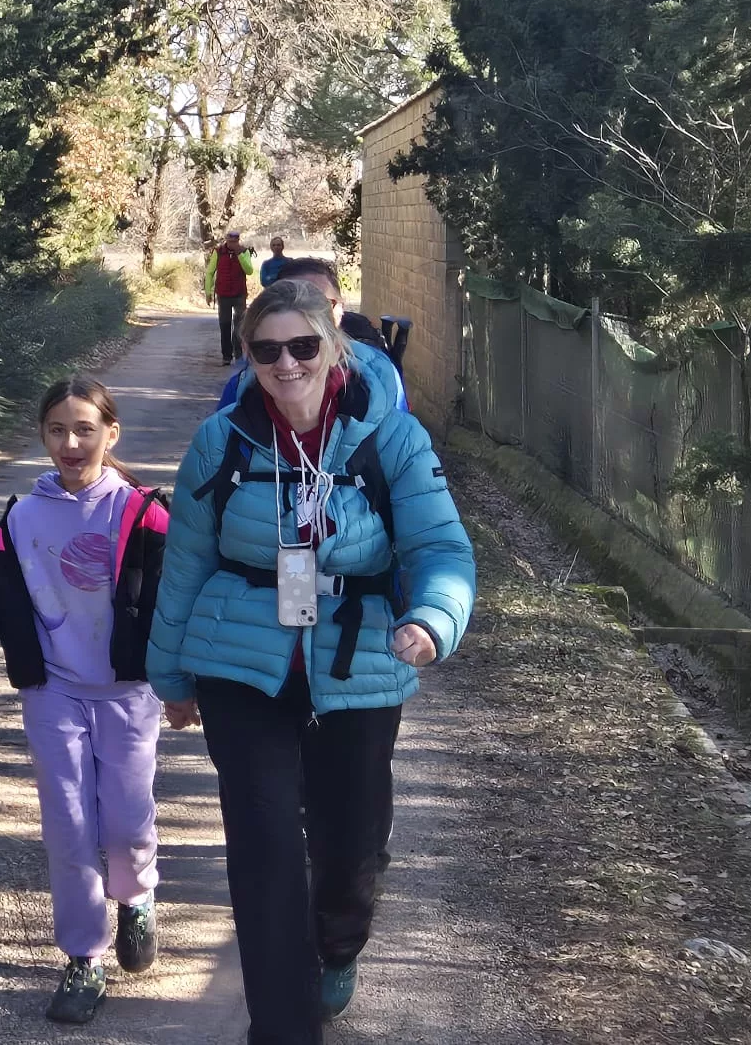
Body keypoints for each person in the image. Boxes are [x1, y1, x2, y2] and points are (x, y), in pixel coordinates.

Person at [147, 281, 476, 1043]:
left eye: (302, 345)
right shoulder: (221, 440)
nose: (285, 363)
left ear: (334, 345)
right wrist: (170, 675)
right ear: (249, 357)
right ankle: (282, 1028)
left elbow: (440, 549)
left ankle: (339, 942)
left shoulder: (389, 439)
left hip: (358, 660)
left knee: (349, 845)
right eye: (266, 350)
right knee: (263, 849)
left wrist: (433, 620)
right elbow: (186, 561)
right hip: (240, 666)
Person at [0, 377, 171, 1025]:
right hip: (53, 691)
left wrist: (184, 684)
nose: (70, 442)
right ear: (42, 435)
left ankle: (136, 896)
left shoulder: (143, 514)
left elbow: (175, 605)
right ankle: (84, 958)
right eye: (57, 430)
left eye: (85, 429)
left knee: (124, 821)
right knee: (68, 826)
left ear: (110, 434)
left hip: (127, 694)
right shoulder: (21, 518)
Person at [217, 259, 406, 413]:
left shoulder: (380, 374)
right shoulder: (243, 386)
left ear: (341, 308)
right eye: (290, 302)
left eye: (321, 303)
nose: (287, 362)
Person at [204, 231, 256, 364]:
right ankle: (226, 356)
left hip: (239, 294)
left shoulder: (244, 251)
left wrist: (240, 255)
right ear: (226, 240)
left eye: (235, 241)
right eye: (230, 241)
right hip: (223, 294)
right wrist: (208, 292)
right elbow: (210, 272)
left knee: (239, 325)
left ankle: (238, 355)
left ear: (238, 240)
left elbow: (249, 271)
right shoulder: (218, 252)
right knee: (224, 325)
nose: (233, 243)